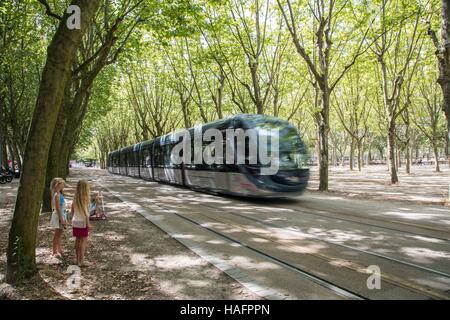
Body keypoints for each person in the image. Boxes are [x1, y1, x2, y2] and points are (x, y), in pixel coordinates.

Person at [71, 180, 93, 267]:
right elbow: (86, 212)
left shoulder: (75, 197)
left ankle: (77, 260)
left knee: (77, 240)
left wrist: (74, 218)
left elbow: (72, 210)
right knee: (83, 241)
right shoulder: (85, 198)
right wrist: (88, 223)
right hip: (83, 221)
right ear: (85, 188)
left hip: (75, 220)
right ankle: (81, 261)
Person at [49, 177, 67, 257]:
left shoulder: (59, 194)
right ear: (57, 185)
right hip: (59, 216)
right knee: (57, 234)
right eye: (62, 184)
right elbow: (58, 208)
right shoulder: (57, 195)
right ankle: (54, 251)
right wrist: (61, 219)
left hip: (61, 215)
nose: (64, 185)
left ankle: (59, 249)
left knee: (59, 233)